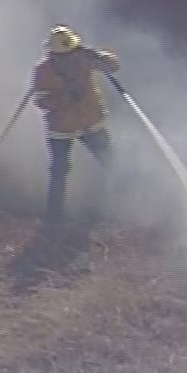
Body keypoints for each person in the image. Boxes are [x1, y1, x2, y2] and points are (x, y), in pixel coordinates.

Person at [32, 25, 121, 227]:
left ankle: (114, 205)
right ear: (53, 53)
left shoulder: (84, 58)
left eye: (71, 52)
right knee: (59, 169)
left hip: (90, 121)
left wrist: (100, 56)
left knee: (110, 160)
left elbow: (113, 66)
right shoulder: (43, 70)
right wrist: (63, 97)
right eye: (64, 55)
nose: (68, 58)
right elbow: (40, 100)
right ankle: (54, 215)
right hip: (61, 127)